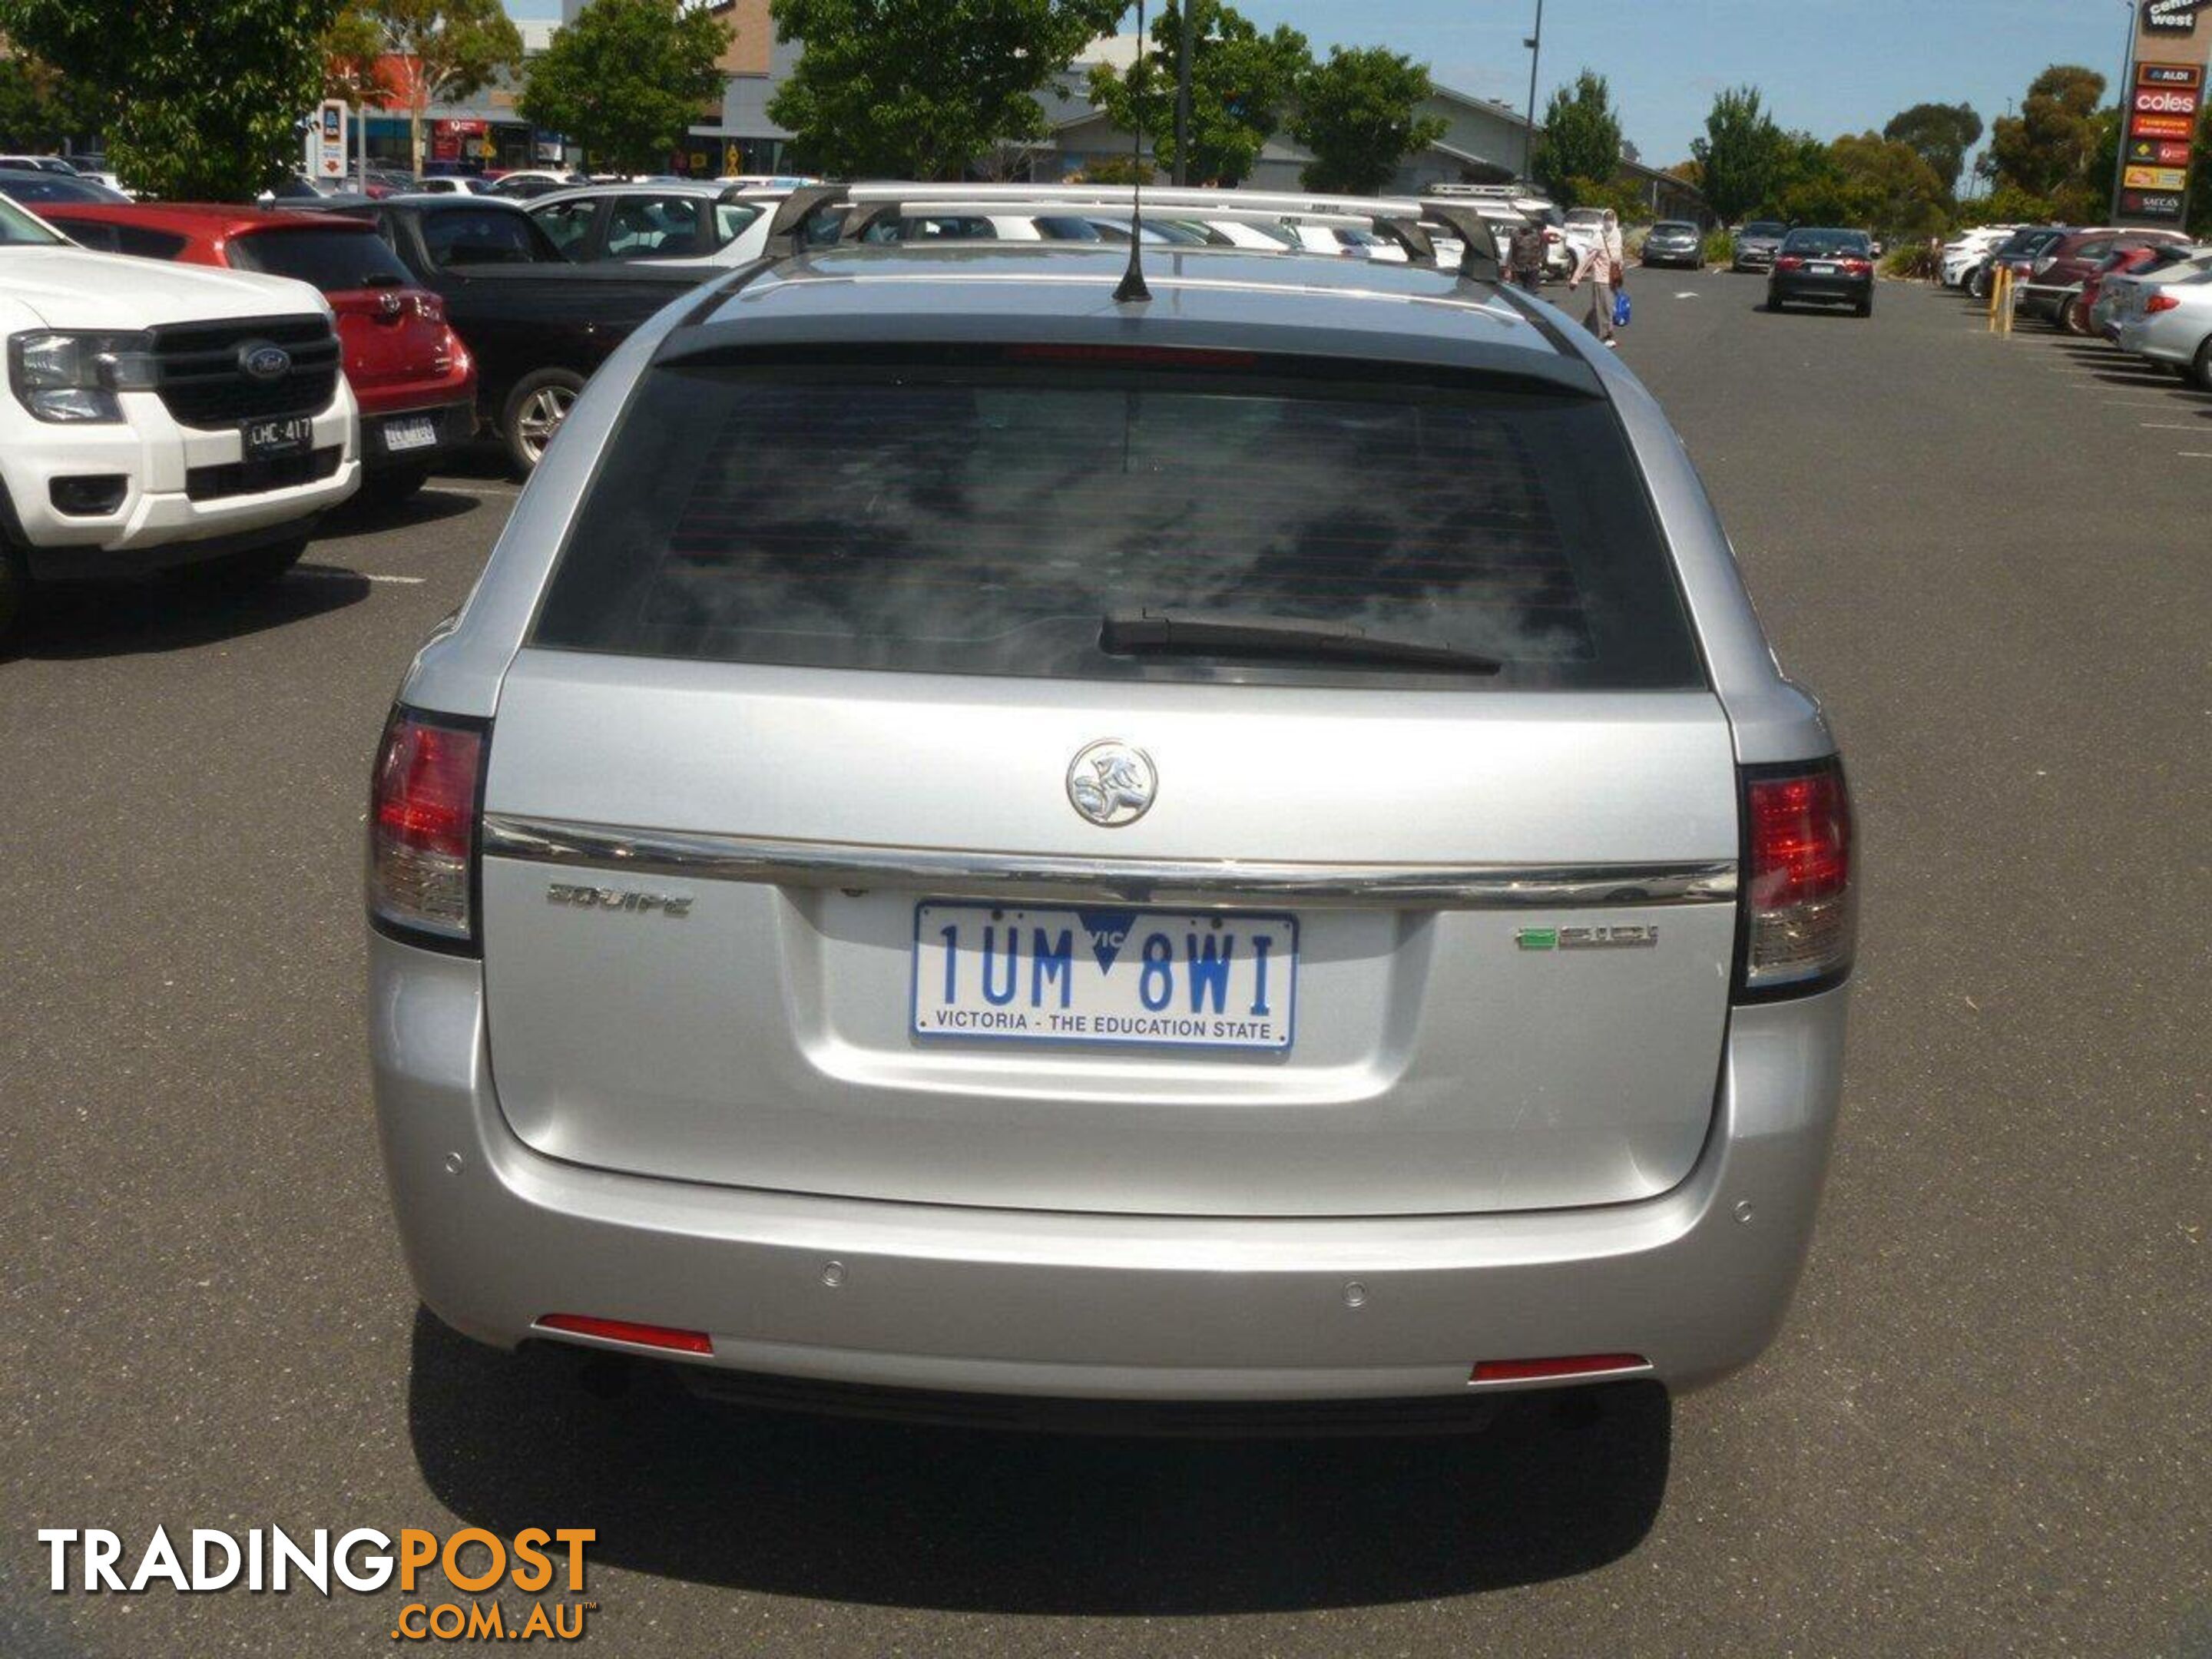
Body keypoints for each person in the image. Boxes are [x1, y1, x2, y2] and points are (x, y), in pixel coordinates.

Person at [1567, 207, 1624, 346]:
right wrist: (1576, 278)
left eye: (1611, 220)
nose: (1609, 223)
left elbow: (1620, 256)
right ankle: (1607, 336)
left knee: (1600, 307)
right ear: (1603, 221)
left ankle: (1586, 329)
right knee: (1606, 308)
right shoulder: (1599, 238)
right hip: (1601, 279)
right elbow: (1587, 260)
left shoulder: (1617, 235)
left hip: (1613, 279)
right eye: (1606, 220)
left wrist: (1620, 271)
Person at [1507, 218, 1546, 292]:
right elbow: (1511, 251)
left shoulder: (1538, 234)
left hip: (1533, 268)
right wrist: (1508, 269)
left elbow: (1543, 249)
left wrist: (1542, 262)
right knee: (1518, 292)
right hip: (1518, 268)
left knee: (1531, 293)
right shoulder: (1515, 234)